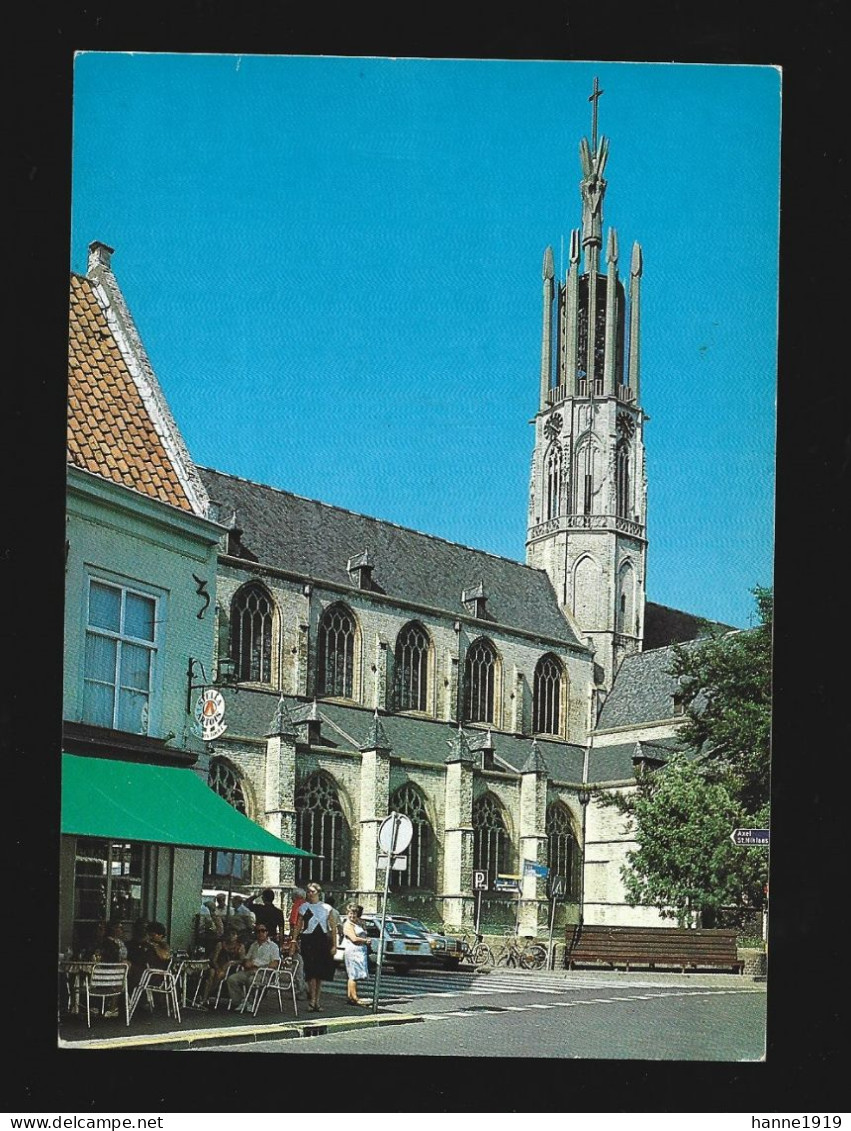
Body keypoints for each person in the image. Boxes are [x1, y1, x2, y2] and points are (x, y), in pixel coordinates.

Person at [291, 882, 336, 1012]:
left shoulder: (326, 908)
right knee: (311, 972)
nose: (310, 894)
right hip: (309, 940)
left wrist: (334, 945)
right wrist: (294, 940)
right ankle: (312, 1001)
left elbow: (332, 928)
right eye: (308, 892)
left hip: (321, 940)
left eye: (312, 892)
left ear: (318, 893)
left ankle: (317, 1001)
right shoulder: (304, 907)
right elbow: (298, 925)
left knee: (320, 973)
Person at [226, 923, 280, 1010]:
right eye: (258, 931)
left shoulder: (273, 946)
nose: (261, 933)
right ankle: (242, 1001)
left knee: (252, 980)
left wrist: (260, 968)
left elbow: (275, 963)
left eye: (263, 931)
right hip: (250, 970)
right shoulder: (253, 945)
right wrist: (247, 963)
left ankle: (252, 1002)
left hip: (264, 973)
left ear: (267, 932)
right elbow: (247, 959)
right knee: (232, 979)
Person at [200, 926, 246, 1006]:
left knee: (219, 974)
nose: (231, 936)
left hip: (230, 969)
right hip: (218, 965)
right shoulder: (221, 945)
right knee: (211, 972)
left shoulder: (240, 947)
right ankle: (205, 997)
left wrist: (232, 962)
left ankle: (208, 993)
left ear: (237, 936)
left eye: (233, 934)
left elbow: (242, 960)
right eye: (229, 934)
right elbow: (214, 959)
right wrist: (217, 967)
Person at [341, 903, 371, 1007]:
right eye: (350, 914)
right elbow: (354, 938)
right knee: (353, 975)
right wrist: (365, 940)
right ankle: (354, 997)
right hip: (353, 951)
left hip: (360, 951)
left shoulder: (358, 923)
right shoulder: (348, 925)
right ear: (347, 914)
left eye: (354, 914)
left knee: (355, 975)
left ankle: (351, 997)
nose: (352, 916)